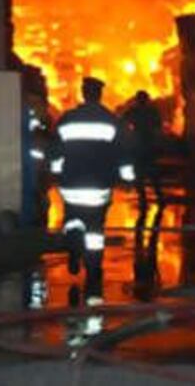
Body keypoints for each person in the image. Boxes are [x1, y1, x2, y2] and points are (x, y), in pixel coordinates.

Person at [51, 77, 134, 278]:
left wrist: (55, 174)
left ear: (83, 93)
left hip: (70, 184)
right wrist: (128, 179)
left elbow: (55, 151)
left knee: (71, 218)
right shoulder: (110, 121)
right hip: (98, 185)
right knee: (95, 228)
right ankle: (93, 266)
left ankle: (72, 248)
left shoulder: (67, 118)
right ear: (99, 95)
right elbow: (124, 153)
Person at [122, 90, 166, 246]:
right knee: (152, 174)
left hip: (139, 146)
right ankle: (159, 198)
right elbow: (158, 126)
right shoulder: (151, 111)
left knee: (140, 175)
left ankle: (144, 199)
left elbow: (123, 122)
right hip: (147, 146)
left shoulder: (134, 111)